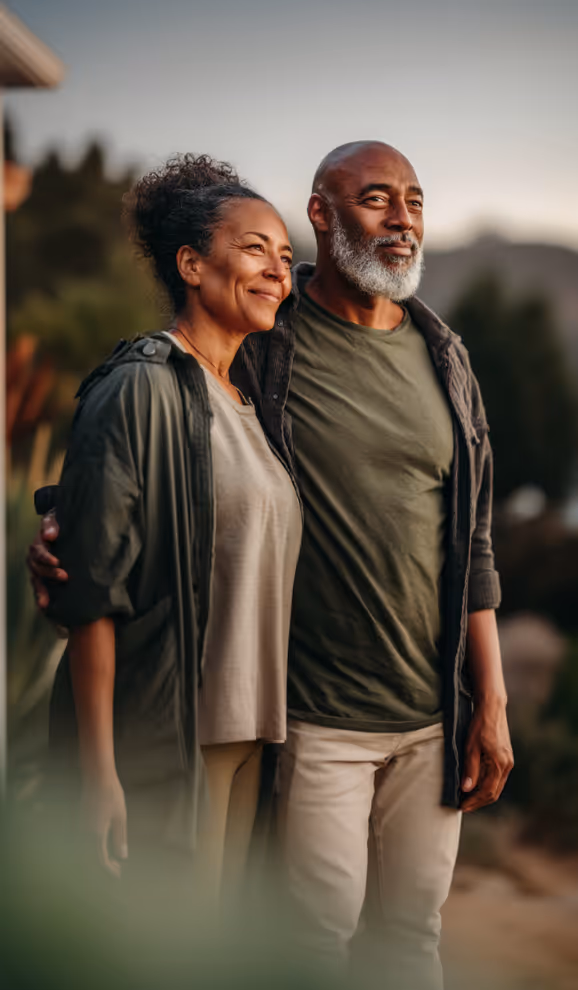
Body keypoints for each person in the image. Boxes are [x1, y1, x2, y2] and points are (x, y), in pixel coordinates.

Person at [30, 141, 513, 988]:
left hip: (399, 717)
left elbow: (470, 540)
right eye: (375, 198)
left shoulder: (439, 359)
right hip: (291, 718)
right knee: (284, 949)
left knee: (404, 940)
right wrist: (61, 529)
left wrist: (492, 700)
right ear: (323, 213)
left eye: (414, 200)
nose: (401, 218)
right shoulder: (260, 345)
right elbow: (138, 448)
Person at [33, 154, 302, 899]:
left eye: (286, 256)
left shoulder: (249, 405)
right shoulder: (138, 387)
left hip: (254, 736)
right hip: (171, 743)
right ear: (190, 263)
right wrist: (97, 777)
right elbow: (94, 596)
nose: (279, 271)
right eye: (255, 249)